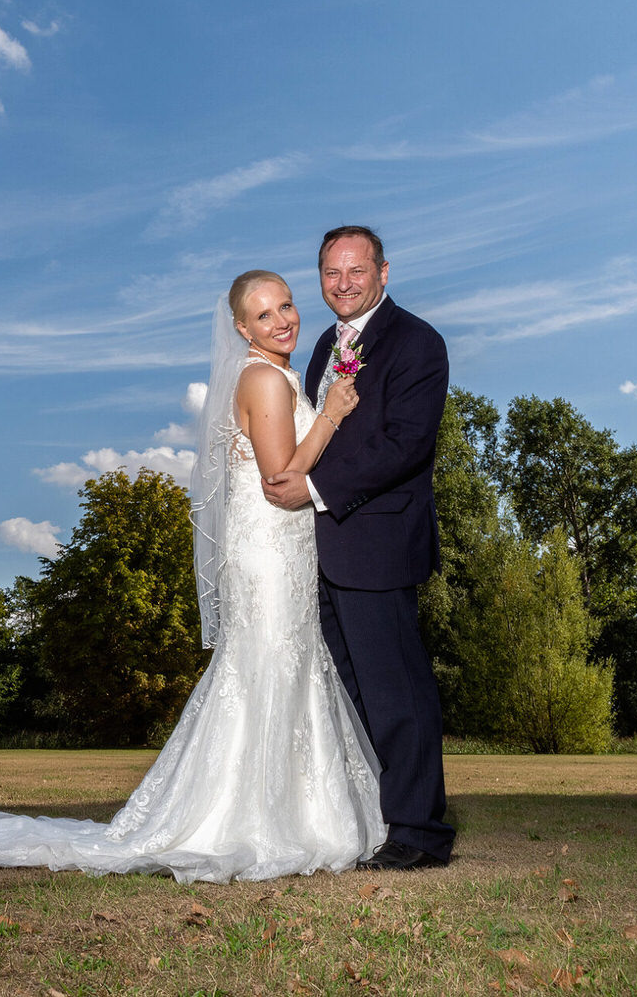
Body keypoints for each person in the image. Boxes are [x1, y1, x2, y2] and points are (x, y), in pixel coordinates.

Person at [0, 270, 385, 884]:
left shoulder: (275, 373)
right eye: (264, 315)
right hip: (268, 552)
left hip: (281, 551)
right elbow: (281, 481)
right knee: (268, 665)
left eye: (286, 305)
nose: (283, 320)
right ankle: (259, 821)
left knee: (281, 665)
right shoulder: (262, 377)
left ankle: (289, 813)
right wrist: (333, 414)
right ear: (241, 328)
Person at [262, 225, 454, 869]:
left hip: (380, 544)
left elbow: (405, 445)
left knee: (398, 692)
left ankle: (420, 833)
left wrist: (312, 488)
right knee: (356, 694)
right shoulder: (322, 346)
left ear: (384, 272)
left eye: (356, 270)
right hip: (325, 550)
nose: (343, 284)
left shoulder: (417, 342)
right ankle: (382, 814)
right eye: (330, 273)